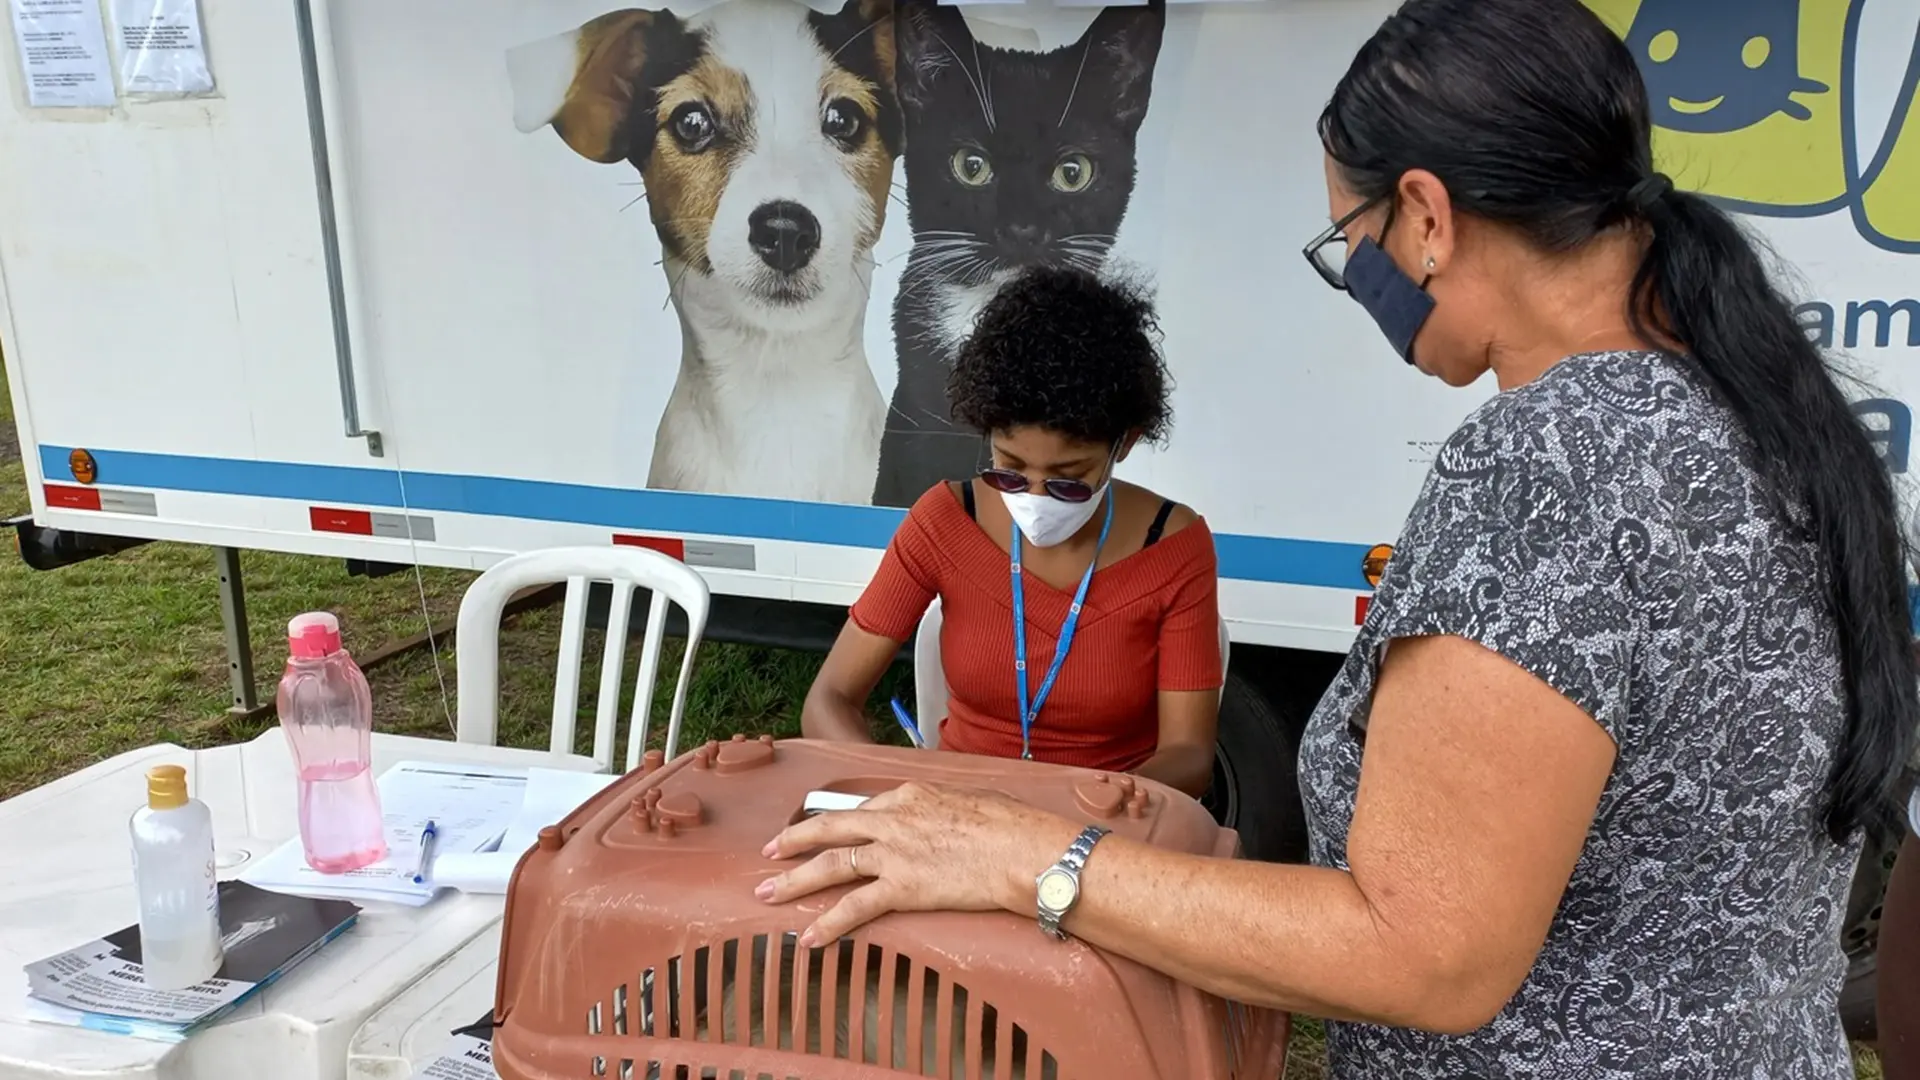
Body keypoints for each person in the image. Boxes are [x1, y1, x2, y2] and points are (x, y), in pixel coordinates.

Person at [757, 0, 1920, 1075]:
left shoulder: (1548, 466)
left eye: (1346, 238)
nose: (1355, 273)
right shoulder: (1761, 407)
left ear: (1424, 215)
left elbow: (1423, 949)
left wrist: (1031, 865)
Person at [800, 265, 1222, 798]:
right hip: (955, 818)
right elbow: (829, 699)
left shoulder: (1173, 547)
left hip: (1097, 834)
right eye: (1010, 470)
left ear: (1126, 444)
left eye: (1070, 481)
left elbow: (1189, 756)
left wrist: (1114, 802)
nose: (1036, 498)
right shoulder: (945, 521)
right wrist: (896, 794)